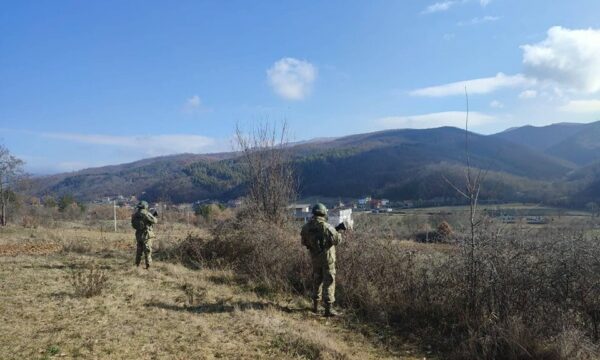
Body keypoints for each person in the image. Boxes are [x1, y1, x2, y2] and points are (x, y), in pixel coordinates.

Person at [301, 203, 343, 316]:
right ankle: (328, 310)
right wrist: (338, 231)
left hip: (315, 259)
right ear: (324, 213)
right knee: (329, 283)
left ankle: (315, 306)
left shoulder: (306, 227)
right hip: (327, 260)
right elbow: (337, 241)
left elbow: (304, 242)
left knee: (316, 282)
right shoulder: (327, 227)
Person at [131, 201, 157, 269]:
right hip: (146, 235)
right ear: (145, 206)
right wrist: (153, 216)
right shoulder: (146, 213)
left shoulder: (135, 214)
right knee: (147, 251)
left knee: (139, 251)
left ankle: (137, 265)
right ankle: (149, 267)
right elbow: (155, 221)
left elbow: (134, 225)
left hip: (138, 235)